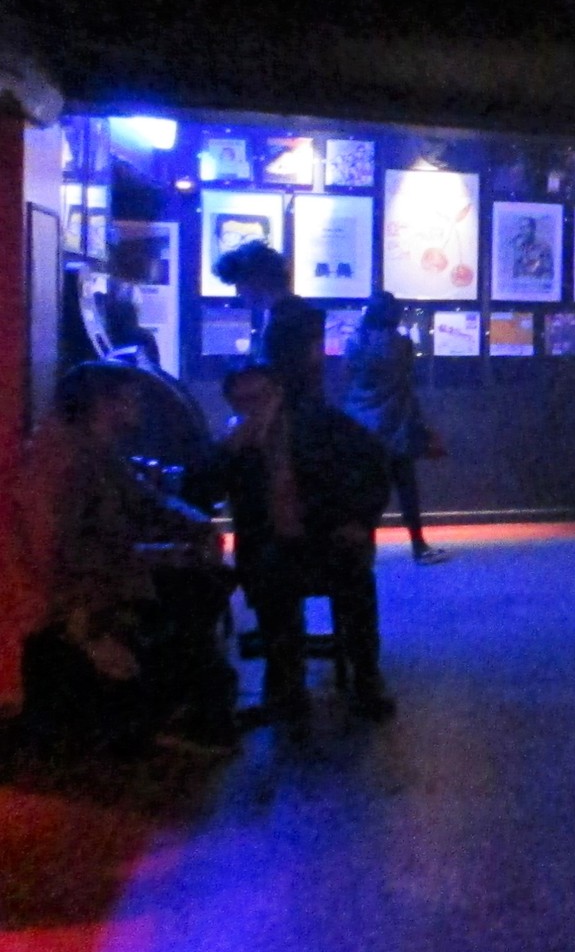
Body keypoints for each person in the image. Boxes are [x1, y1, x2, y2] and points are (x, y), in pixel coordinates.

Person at [20, 362, 230, 755]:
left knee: (202, 585)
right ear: (104, 404)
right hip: (91, 592)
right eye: (130, 398)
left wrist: (197, 527)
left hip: (112, 577)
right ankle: (184, 718)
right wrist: (158, 555)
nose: (139, 405)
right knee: (193, 593)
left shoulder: (98, 452)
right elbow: (64, 551)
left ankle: (188, 714)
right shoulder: (66, 463)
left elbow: (149, 503)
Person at [222, 364, 396, 726]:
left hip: (326, 535)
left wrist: (358, 520)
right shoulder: (238, 442)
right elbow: (202, 488)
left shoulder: (317, 424)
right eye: (243, 402)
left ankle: (366, 676)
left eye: (260, 397)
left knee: (352, 577)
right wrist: (229, 453)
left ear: (278, 394)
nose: (254, 408)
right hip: (272, 545)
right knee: (269, 576)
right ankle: (286, 686)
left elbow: (373, 460)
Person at [343, 291, 450, 566]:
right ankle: (418, 546)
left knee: (365, 492)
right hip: (396, 422)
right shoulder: (401, 345)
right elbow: (407, 380)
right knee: (406, 487)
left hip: (361, 424)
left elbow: (348, 376)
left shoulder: (355, 342)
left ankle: (362, 550)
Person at [213, 240, 324, 402]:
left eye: (240, 283)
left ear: (256, 280)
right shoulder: (298, 313)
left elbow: (281, 384)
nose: (238, 292)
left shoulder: (283, 323)